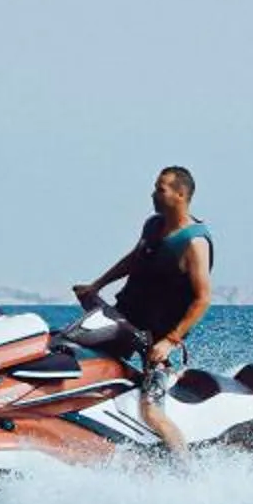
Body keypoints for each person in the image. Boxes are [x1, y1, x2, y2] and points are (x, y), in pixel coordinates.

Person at [76, 166, 214, 452]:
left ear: (180, 194)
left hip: (158, 340)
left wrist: (170, 341)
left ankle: (186, 471)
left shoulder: (194, 242)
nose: (153, 194)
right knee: (76, 358)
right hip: (124, 322)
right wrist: (97, 285)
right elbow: (134, 259)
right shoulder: (153, 226)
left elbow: (202, 299)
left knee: (151, 411)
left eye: (160, 189)